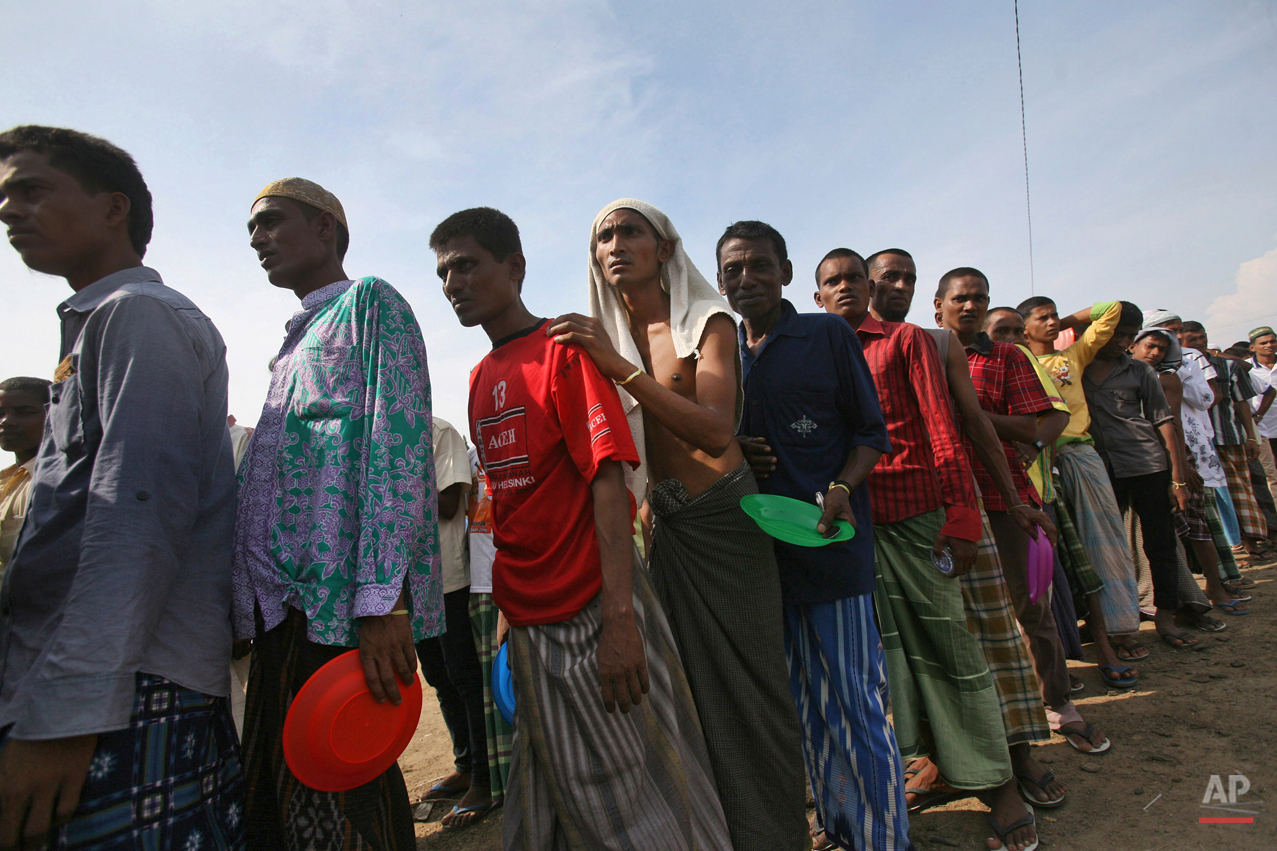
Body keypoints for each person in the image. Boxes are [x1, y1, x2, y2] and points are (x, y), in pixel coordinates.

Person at [431, 206, 731, 850]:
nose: (453, 282)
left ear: (514, 267)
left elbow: (608, 483)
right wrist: (510, 614)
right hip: (533, 621)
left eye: (467, 265)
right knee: (562, 788)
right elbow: (510, 506)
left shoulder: (564, 356)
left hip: (597, 609)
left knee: (632, 789)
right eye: (443, 272)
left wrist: (620, 618)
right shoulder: (481, 379)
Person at [0, 126, 244, 849]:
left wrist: (69, 710)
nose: (9, 211)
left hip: (128, 686)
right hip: (101, 678)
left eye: (31, 190)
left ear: (113, 209)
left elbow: (137, 516)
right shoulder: (92, 329)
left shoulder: (136, 316)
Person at [556, 199, 808, 851]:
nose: (615, 245)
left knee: (752, 694)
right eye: (602, 236)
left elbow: (715, 428)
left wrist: (623, 372)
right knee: (689, 697)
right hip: (665, 530)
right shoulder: (601, 340)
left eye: (629, 232)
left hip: (725, 524)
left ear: (663, 249)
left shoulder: (705, 322)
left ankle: (775, 837)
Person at [234, 177, 441, 849]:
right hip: (279, 613)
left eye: (271, 221)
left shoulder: (368, 304)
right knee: (278, 790)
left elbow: (395, 444)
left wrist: (384, 603)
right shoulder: (292, 345)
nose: (258, 238)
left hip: (340, 612)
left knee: (348, 793)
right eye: (250, 231)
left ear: (326, 227)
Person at [820, 250, 1043, 851]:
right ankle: (927, 766)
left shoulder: (907, 340)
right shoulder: (816, 349)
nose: (848, 290)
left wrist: (965, 510)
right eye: (833, 282)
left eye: (855, 280)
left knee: (957, 649)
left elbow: (946, 424)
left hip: (922, 513)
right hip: (857, 525)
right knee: (890, 667)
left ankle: (1000, 784)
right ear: (818, 296)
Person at [717, 223, 909, 851]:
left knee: (853, 702)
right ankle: (839, 825)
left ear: (787, 272)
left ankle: (883, 839)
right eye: (733, 270)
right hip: (761, 561)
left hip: (831, 547)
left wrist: (842, 489)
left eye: (759, 266)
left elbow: (871, 434)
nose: (746, 279)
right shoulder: (724, 353)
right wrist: (733, 449)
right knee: (806, 703)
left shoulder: (825, 334)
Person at [864, 251, 1064, 820]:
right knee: (920, 649)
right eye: (888, 277)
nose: (898, 285)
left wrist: (1017, 498)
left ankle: (1018, 755)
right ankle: (940, 762)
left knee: (993, 633)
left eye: (908, 277)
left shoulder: (939, 343)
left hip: (954, 506)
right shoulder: (844, 344)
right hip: (889, 517)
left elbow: (972, 423)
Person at [937, 270, 1110, 758]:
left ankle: (1057, 704)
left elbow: (1037, 424)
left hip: (1002, 496)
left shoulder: (1007, 357)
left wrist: (967, 412)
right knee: (961, 619)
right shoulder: (921, 351)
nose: (969, 307)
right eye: (960, 299)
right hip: (943, 503)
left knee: (1030, 607)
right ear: (938, 307)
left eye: (979, 299)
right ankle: (988, 716)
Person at [1019, 297, 1148, 664]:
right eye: (1041, 318)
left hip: (1079, 453)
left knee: (1104, 539)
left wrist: (1065, 322)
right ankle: (1073, 633)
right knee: (1058, 553)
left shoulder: (1071, 357)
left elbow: (1112, 310)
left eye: (1054, 316)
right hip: (1036, 460)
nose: (1051, 322)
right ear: (1023, 327)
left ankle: (1120, 627)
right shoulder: (1018, 361)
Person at [1080, 303, 1192, 647]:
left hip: (1147, 464)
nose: (1123, 341)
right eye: (1118, 333)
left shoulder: (1141, 372)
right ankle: (1117, 620)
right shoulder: (1075, 367)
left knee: (1159, 543)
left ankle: (1165, 615)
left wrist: (1178, 478)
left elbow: (1163, 422)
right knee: (1104, 548)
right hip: (1100, 469)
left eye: (1130, 336)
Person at [1129, 327, 1246, 616]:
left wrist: (1180, 469)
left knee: (1196, 525)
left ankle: (1215, 588)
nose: (1155, 353)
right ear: (1133, 346)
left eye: (1161, 349)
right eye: (1150, 346)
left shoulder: (1166, 378)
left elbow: (1172, 424)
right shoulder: (1121, 374)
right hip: (1138, 460)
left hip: (1172, 457)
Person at [415, 417, 495, 827]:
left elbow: (449, 505)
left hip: (448, 578)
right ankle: (464, 764)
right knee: (438, 676)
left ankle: (483, 778)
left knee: (464, 677)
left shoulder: (437, 432)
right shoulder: (377, 433)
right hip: (410, 583)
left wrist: (390, 483)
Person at [1184, 321, 1274, 567]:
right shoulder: (1185, 368)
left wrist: (1251, 436)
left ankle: (1250, 545)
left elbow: (1242, 402)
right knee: (1217, 497)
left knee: (1242, 492)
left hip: (1228, 437)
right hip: (1199, 444)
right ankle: (1232, 549)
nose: (1200, 342)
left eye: (1202, 337)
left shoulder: (1228, 366)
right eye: (1193, 339)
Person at [463, 442, 513, 814]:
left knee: (514, 690)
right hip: (481, 581)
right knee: (495, 692)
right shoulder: (472, 456)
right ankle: (506, 787)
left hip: (510, 579)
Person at [0, 377, 49, 573]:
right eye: (0, 413)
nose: (7, 422)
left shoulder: (56, 481)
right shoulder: (6, 479)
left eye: (24, 413)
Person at [1246, 327, 1277, 508]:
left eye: (1272, 341)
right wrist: (1256, 418)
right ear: (1252, 347)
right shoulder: (1248, 369)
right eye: (1263, 343)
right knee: (1270, 476)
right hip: (1262, 430)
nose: (1269, 345)